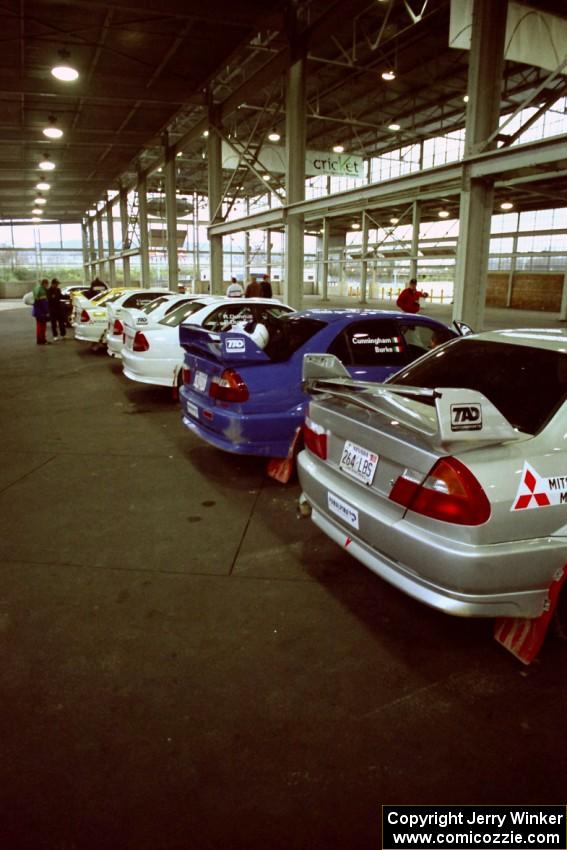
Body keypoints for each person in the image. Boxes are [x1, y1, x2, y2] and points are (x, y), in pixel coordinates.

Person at [32, 278, 50, 345]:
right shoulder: (42, 291)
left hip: (36, 311)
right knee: (42, 327)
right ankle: (42, 340)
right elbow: (44, 303)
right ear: (44, 283)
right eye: (47, 284)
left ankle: (40, 340)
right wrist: (47, 312)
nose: (48, 285)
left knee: (39, 326)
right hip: (41, 312)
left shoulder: (36, 288)